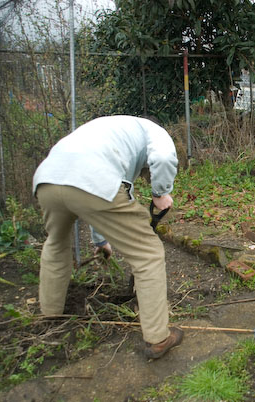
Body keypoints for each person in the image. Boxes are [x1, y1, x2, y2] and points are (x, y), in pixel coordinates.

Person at [32, 115, 183, 360]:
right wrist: (160, 193)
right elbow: (164, 158)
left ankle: (50, 315)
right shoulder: (153, 130)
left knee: (56, 243)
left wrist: (101, 241)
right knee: (148, 253)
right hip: (91, 180)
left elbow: (102, 197)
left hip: (47, 179)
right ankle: (158, 338)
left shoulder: (109, 129)